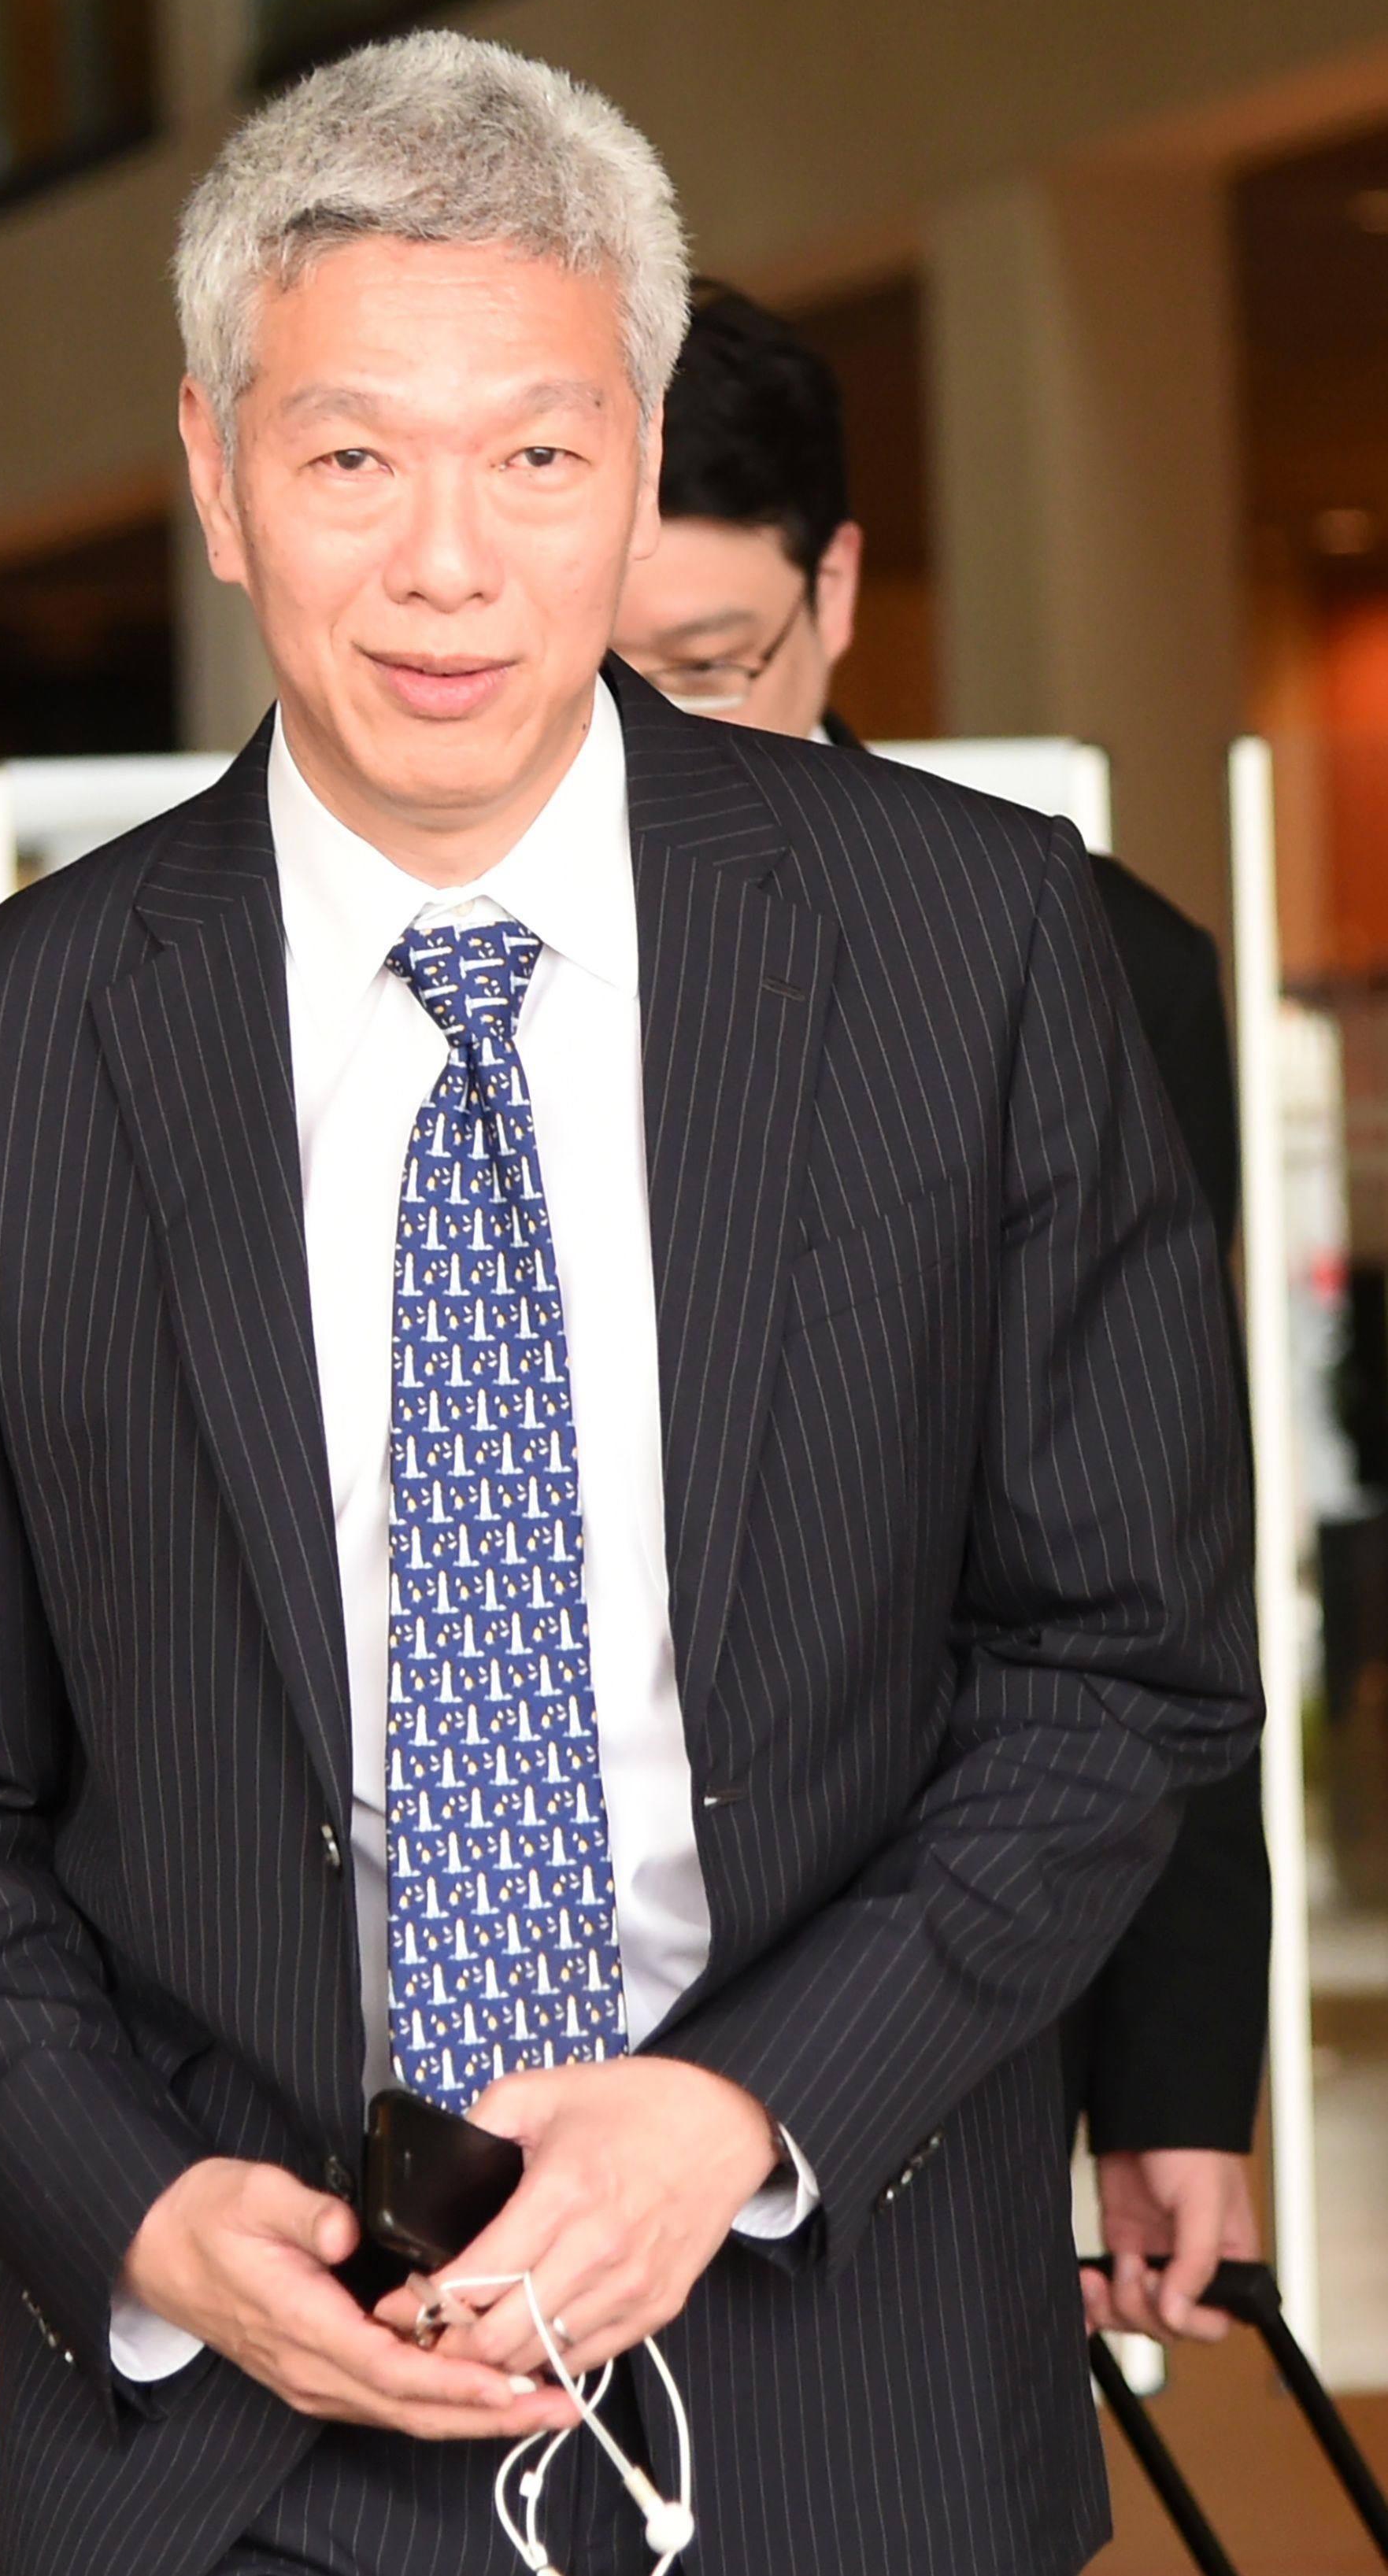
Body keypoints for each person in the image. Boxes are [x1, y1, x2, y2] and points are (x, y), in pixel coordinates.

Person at [0, 34, 1261, 2576]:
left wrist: (742, 2106)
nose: (448, 562)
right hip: (235, 2443)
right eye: (353, 455)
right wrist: (134, 2207)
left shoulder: (971, 947)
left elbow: (1116, 1660)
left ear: (640, 452)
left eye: (539, 455)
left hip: (855, 2386)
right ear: (216, 474)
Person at [613, 283, 1271, 2353]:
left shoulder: (1065, 956)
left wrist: (1168, 2079)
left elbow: (1138, 1559)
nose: (649, 744)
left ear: (836, 587)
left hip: (906, 2009)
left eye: (709, 667)